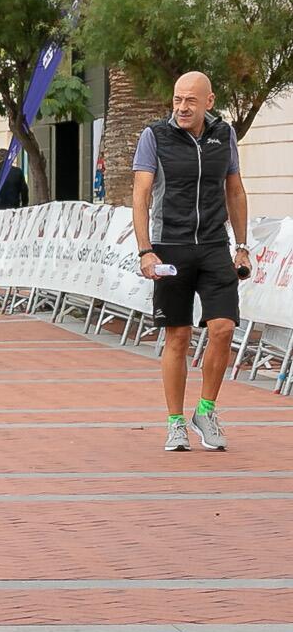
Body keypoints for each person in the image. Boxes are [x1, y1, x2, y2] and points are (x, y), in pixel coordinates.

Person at [134, 71, 251, 453]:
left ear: (209, 102)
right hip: (171, 246)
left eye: (190, 101)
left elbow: (234, 189)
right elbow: (141, 195)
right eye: (177, 100)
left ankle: (206, 410)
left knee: (222, 328)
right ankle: (174, 423)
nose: (182, 108)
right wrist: (145, 250)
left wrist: (243, 245)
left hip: (215, 245)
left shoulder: (225, 135)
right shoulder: (155, 136)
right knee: (178, 336)